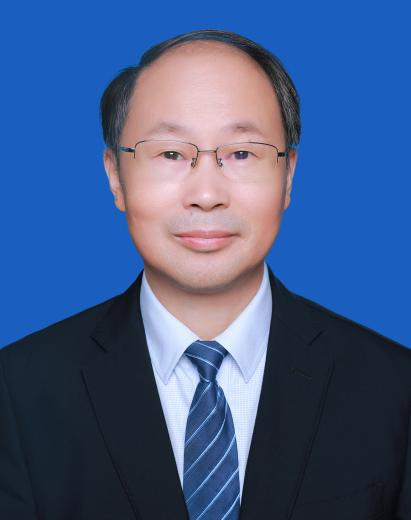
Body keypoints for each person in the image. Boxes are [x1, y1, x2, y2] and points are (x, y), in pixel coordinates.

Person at [0, 28, 410, 520]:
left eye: (242, 153)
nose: (207, 195)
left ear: (288, 175)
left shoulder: (393, 388)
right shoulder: (19, 392)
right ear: (115, 176)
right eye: (171, 153)